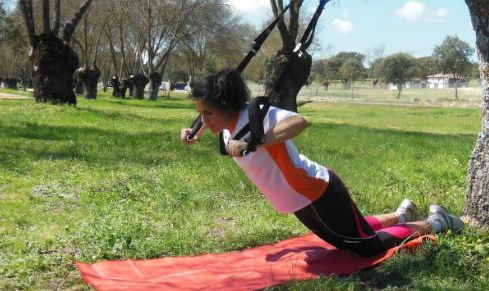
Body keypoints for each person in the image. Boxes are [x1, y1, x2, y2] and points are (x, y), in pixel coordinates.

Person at [181, 69, 464, 257]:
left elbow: (300, 121)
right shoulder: (226, 124)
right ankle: (401, 215)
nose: (203, 120)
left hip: (316, 190)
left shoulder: (257, 116)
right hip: (298, 199)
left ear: (229, 106)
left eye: (208, 114)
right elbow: (220, 127)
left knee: (364, 247)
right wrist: (194, 133)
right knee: (349, 237)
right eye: (200, 114)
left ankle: (436, 222)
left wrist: (256, 142)